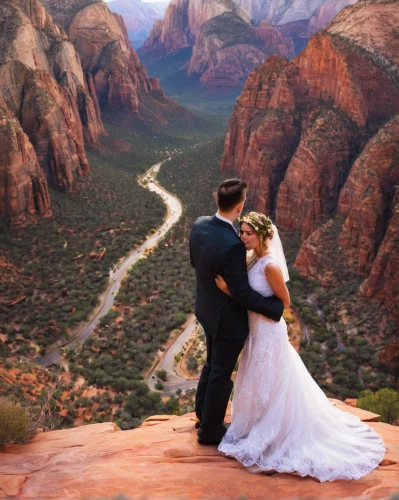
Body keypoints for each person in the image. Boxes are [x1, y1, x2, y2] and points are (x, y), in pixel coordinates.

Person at [216, 211, 386, 482]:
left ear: (262, 235)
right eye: (242, 231)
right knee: (259, 381)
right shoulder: (251, 260)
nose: (243, 237)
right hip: (255, 331)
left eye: (248, 233)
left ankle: (275, 434)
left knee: (272, 382)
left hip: (269, 332)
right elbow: (248, 294)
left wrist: (230, 293)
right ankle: (257, 426)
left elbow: (284, 302)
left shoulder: (270, 265)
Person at [189, 180, 284, 446]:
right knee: (221, 372)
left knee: (211, 365)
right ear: (240, 206)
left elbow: (194, 262)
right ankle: (210, 430)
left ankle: (202, 415)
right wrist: (275, 308)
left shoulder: (199, 225)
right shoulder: (233, 244)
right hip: (226, 321)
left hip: (206, 311)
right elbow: (240, 292)